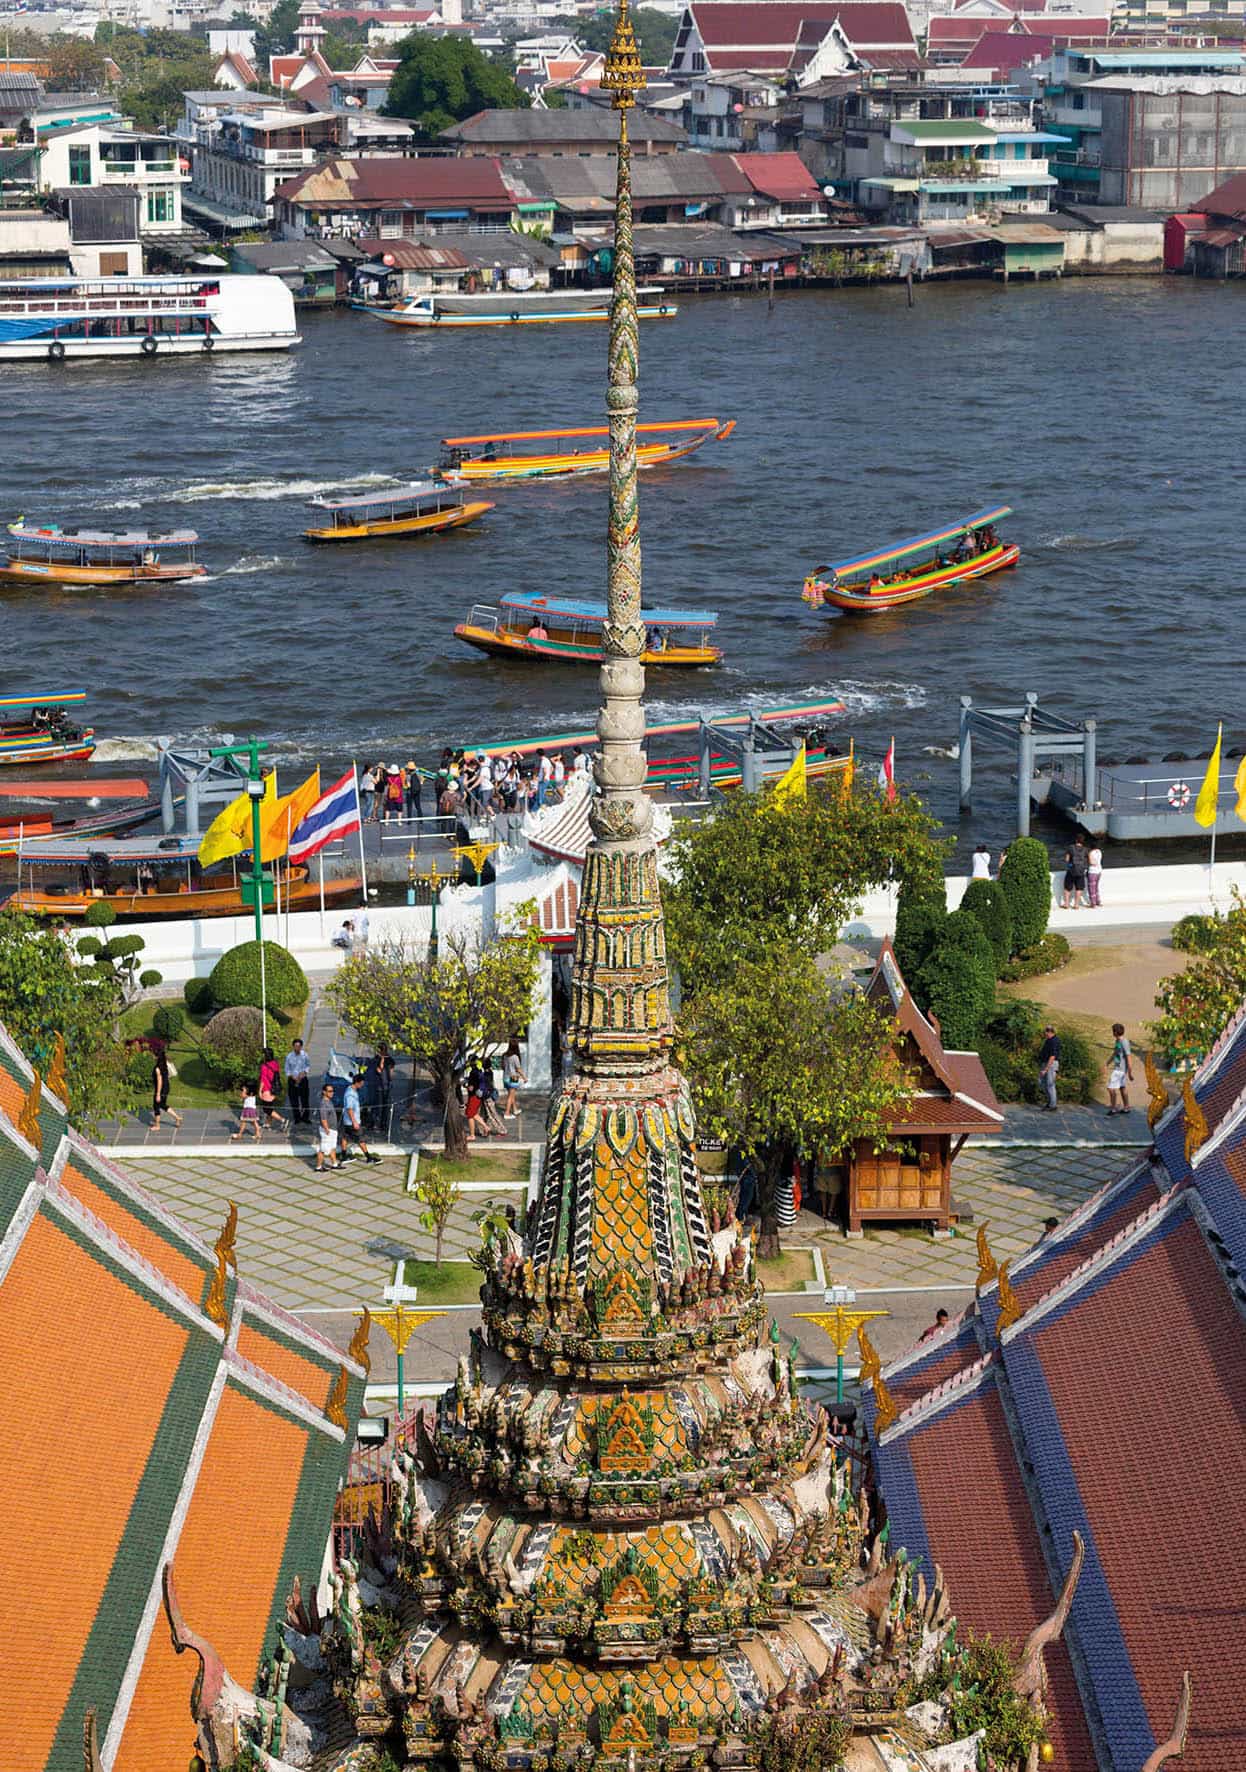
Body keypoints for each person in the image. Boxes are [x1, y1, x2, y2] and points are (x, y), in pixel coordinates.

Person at [341, 1070, 381, 1163]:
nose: (362, 1085)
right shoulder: (350, 1094)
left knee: (345, 1137)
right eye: (361, 1083)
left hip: (347, 1121)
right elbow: (349, 1109)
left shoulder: (350, 1089)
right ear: (357, 1083)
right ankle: (369, 1157)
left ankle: (343, 1156)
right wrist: (354, 1122)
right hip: (352, 1122)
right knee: (360, 1139)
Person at [151, 1047, 183, 1131]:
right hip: (166, 1087)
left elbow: (159, 1081)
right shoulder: (164, 1064)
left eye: (154, 1055)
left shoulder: (157, 1068)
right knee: (162, 1104)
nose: (152, 1056)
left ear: (157, 1057)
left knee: (156, 1106)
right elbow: (167, 1076)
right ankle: (177, 1117)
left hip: (161, 1089)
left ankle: (157, 1126)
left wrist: (158, 1094)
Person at [1107, 1022, 1134, 1115]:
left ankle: (1113, 1108)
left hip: (1120, 1070)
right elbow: (1115, 1053)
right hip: (1118, 1068)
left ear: (1115, 1032)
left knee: (1110, 1088)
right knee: (1122, 1088)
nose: (1112, 1033)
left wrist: (1130, 1072)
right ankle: (1126, 1107)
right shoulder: (1117, 1041)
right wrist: (1107, 1063)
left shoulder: (1124, 1042)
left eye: (1113, 1031)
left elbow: (1129, 1056)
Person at [257, 1045, 286, 1129]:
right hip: (274, 1088)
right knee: (270, 1106)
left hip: (267, 1089)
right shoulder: (275, 1064)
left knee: (267, 1109)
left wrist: (259, 1091)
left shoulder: (264, 1066)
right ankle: (268, 1123)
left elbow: (263, 1079)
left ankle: (282, 1120)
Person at [478, 1056, 507, 1135]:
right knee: (485, 1114)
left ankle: (501, 1130)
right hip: (489, 1095)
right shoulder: (490, 1072)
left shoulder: (484, 1075)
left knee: (492, 1114)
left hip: (487, 1096)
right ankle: (485, 1130)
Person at [284, 1037, 311, 1124]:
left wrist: (304, 1073)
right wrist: (292, 1076)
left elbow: (308, 1065)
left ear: (301, 1047)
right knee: (294, 1100)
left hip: (302, 1079)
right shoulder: (289, 1056)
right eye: (295, 1046)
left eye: (299, 1046)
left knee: (305, 1099)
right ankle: (297, 1118)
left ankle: (305, 1117)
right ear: (293, 1046)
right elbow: (287, 1069)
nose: (297, 1048)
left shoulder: (305, 1055)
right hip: (293, 1079)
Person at [315, 1082, 339, 1172]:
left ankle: (334, 1164)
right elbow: (323, 1119)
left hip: (333, 1129)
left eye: (332, 1091)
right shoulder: (323, 1104)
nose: (332, 1093)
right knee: (323, 1149)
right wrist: (326, 1130)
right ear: (324, 1092)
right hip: (327, 1130)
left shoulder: (329, 1101)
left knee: (332, 1147)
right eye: (329, 1091)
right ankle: (318, 1167)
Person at [1060, 838, 1090, 911]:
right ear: (1083, 841)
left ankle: (1066, 904)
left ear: (1076, 840)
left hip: (1071, 870)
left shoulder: (1070, 847)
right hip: (1081, 871)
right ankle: (1076, 905)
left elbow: (1067, 859)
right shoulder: (1086, 849)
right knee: (1079, 888)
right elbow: (1088, 860)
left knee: (1067, 887)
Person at [1038, 1024, 1061, 1111]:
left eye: (1046, 1032)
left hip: (1051, 1064)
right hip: (1045, 1063)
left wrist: (1046, 1069)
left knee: (1050, 1084)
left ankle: (1053, 1105)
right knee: (1041, 1083)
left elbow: (1052, 1056)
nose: (1044, 1034)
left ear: (1050, 1032)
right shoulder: (1049, 1040)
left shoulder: (1054, 1041)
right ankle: (1050, 1101)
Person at [502, 1037, 526, 1117]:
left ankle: (515, 1110)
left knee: (511, 1095)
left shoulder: (505, 1055)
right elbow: (518, 1069)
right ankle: (507, 1113)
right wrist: (524, 1077)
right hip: (513, 1078)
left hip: (505, 1077)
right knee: (510, 1096)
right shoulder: (515, 1057)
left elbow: (503, 1066)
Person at [1087, 841, 1103, 908]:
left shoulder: (1090, 853)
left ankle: (1093, 903)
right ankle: (1098, 901)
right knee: (1096, 887)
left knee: (1091, 888)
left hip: (1092, 871)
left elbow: (1091, 862)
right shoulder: (1099, 851)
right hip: (1099, 871)